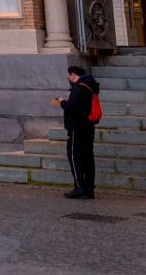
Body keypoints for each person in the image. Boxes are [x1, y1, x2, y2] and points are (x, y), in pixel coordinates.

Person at [53, 63, 100, 199]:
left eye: (69, 75)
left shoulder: (79, 88)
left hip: (77, 127)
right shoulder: (90, 86)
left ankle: (79, 187)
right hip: (88, 126)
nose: (68, 78)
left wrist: (61, 101)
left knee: (74, 156)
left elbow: (70, 106)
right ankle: (89, 188)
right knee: (88, 157)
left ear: (74, 74)